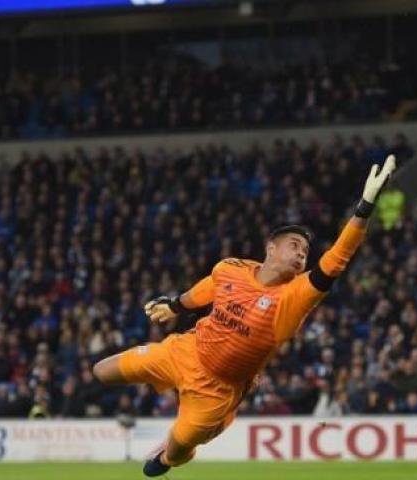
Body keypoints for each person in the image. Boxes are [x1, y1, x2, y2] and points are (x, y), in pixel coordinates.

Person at [93, 155, 396, 477]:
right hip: (184, 351)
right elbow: (209, 288)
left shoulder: (293, 297)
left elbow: (336, 261)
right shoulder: (231, 268)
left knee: (176, 451)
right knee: (102, 372)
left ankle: (179, 450)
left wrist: (364, 207)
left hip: (217, 390)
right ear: (271, 249)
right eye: (294, 246)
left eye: (305, 253)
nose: (301, 254)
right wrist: (176, 306)